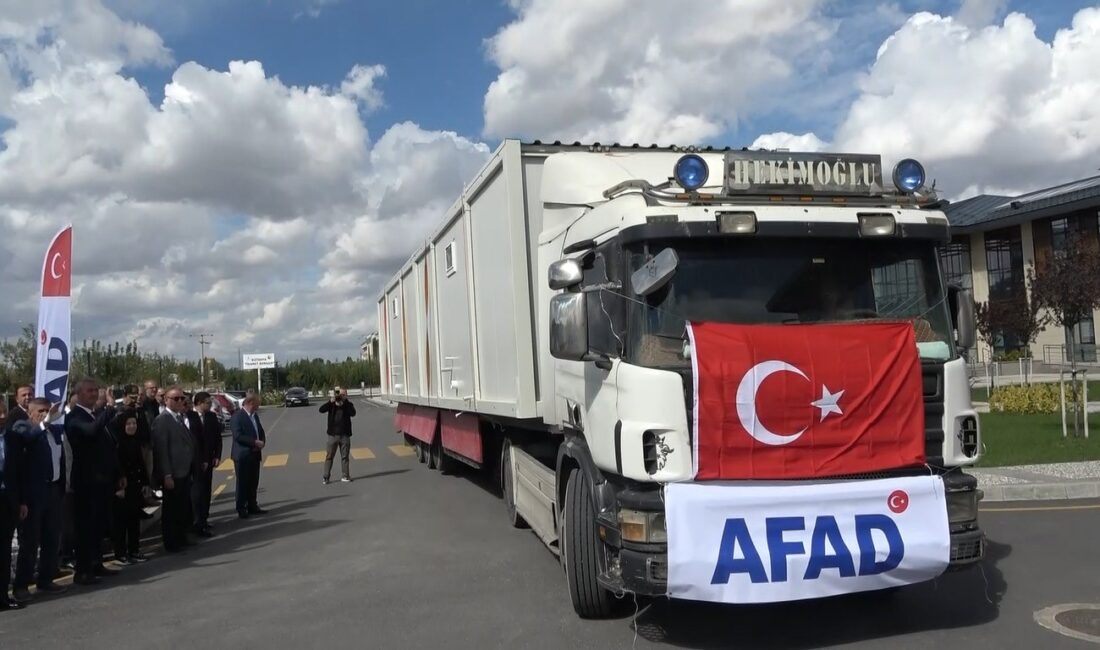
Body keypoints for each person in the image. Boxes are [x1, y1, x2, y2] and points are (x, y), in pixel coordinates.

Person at [10, 398, 69, 602]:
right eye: (41, 411)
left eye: (47, 410)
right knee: (30, 541)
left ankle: (46, 579)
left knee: (52, 538)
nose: (45, 414)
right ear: (30, 412)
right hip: (34, 493)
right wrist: (44, 423)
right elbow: (26, 438)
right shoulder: (23, 427)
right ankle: (21, 585)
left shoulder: (53, 431)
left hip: (53, 490)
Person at [66, 377, 122, 585]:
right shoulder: (74, 417)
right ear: (79, 394)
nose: (93, 394)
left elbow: (107, 447)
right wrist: (109, 408)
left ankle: (96, 563)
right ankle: (82, 570)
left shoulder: (94, 415)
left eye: (95, 390)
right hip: (86, 482)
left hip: (102, 480)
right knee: (85, 527)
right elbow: (90, 432)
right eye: (89, 391)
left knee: (99, 525)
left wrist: (117, 475)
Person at [151, 387, 196, 553]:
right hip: (173, 472)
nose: (180, 401)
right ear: (166, 400)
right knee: (171, 510)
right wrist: (167, 474)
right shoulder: (162, 420)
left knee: (182, 507)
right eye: (175, 398)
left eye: (181, 398)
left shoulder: (178, 417)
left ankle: (181, 536)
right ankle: (171, 541)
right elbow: (161, 450)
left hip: (183, 470)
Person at [111, 412, 148, 564]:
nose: (132, 426)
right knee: (120, 522)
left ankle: (134, 549)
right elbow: (115, 466)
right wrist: (118, 486)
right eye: (128, 424)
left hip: (135, 485)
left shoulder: (135, 441)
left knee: (134, 520)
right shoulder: (118, 443)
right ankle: (120, 553)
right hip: (122, 487)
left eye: (134, 423)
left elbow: (141, 463)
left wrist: (146, 483)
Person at [1, 414, 29, 610]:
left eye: (3, 412)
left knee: (3, 550)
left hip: (7, 500)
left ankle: (3, 596)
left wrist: (22, 502)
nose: (2, 416)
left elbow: (20, 472)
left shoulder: (12, 438)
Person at [191, 392, 222, 537]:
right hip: (196, 462)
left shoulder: (211, 416)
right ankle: (197, 522)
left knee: (206, 491)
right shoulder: (190, 417)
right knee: (197, 493)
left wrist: (217, 455)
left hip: (209, 460)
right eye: (207, 403)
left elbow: (217, 437)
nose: (210, 405)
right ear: (198, 403)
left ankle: (204, 518)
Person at [230, 395, 266, 519]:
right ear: (250, 403)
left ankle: (252, 505)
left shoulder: (254, 415)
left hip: (255, 454)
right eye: (257, 404)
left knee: (253, 481)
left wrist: (262, 442)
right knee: (243, 482)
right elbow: (238, 436)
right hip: (243, 455)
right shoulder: (237, 417)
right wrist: (254, 442)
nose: (258, 407)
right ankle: (241, 508)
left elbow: (260, 431)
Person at [319, 387, 356, 484]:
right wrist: (330, 402)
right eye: (340, 394)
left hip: (345, 435)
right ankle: (326, 477)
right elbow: (321, 410)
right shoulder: (331, 405)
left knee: (345, 457)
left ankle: (345, 476)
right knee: (329, 456)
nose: (341, 396)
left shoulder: (348, 405)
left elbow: (353, 413)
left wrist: (345, 402)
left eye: (343, 395)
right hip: (333, 435)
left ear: (346, 395)